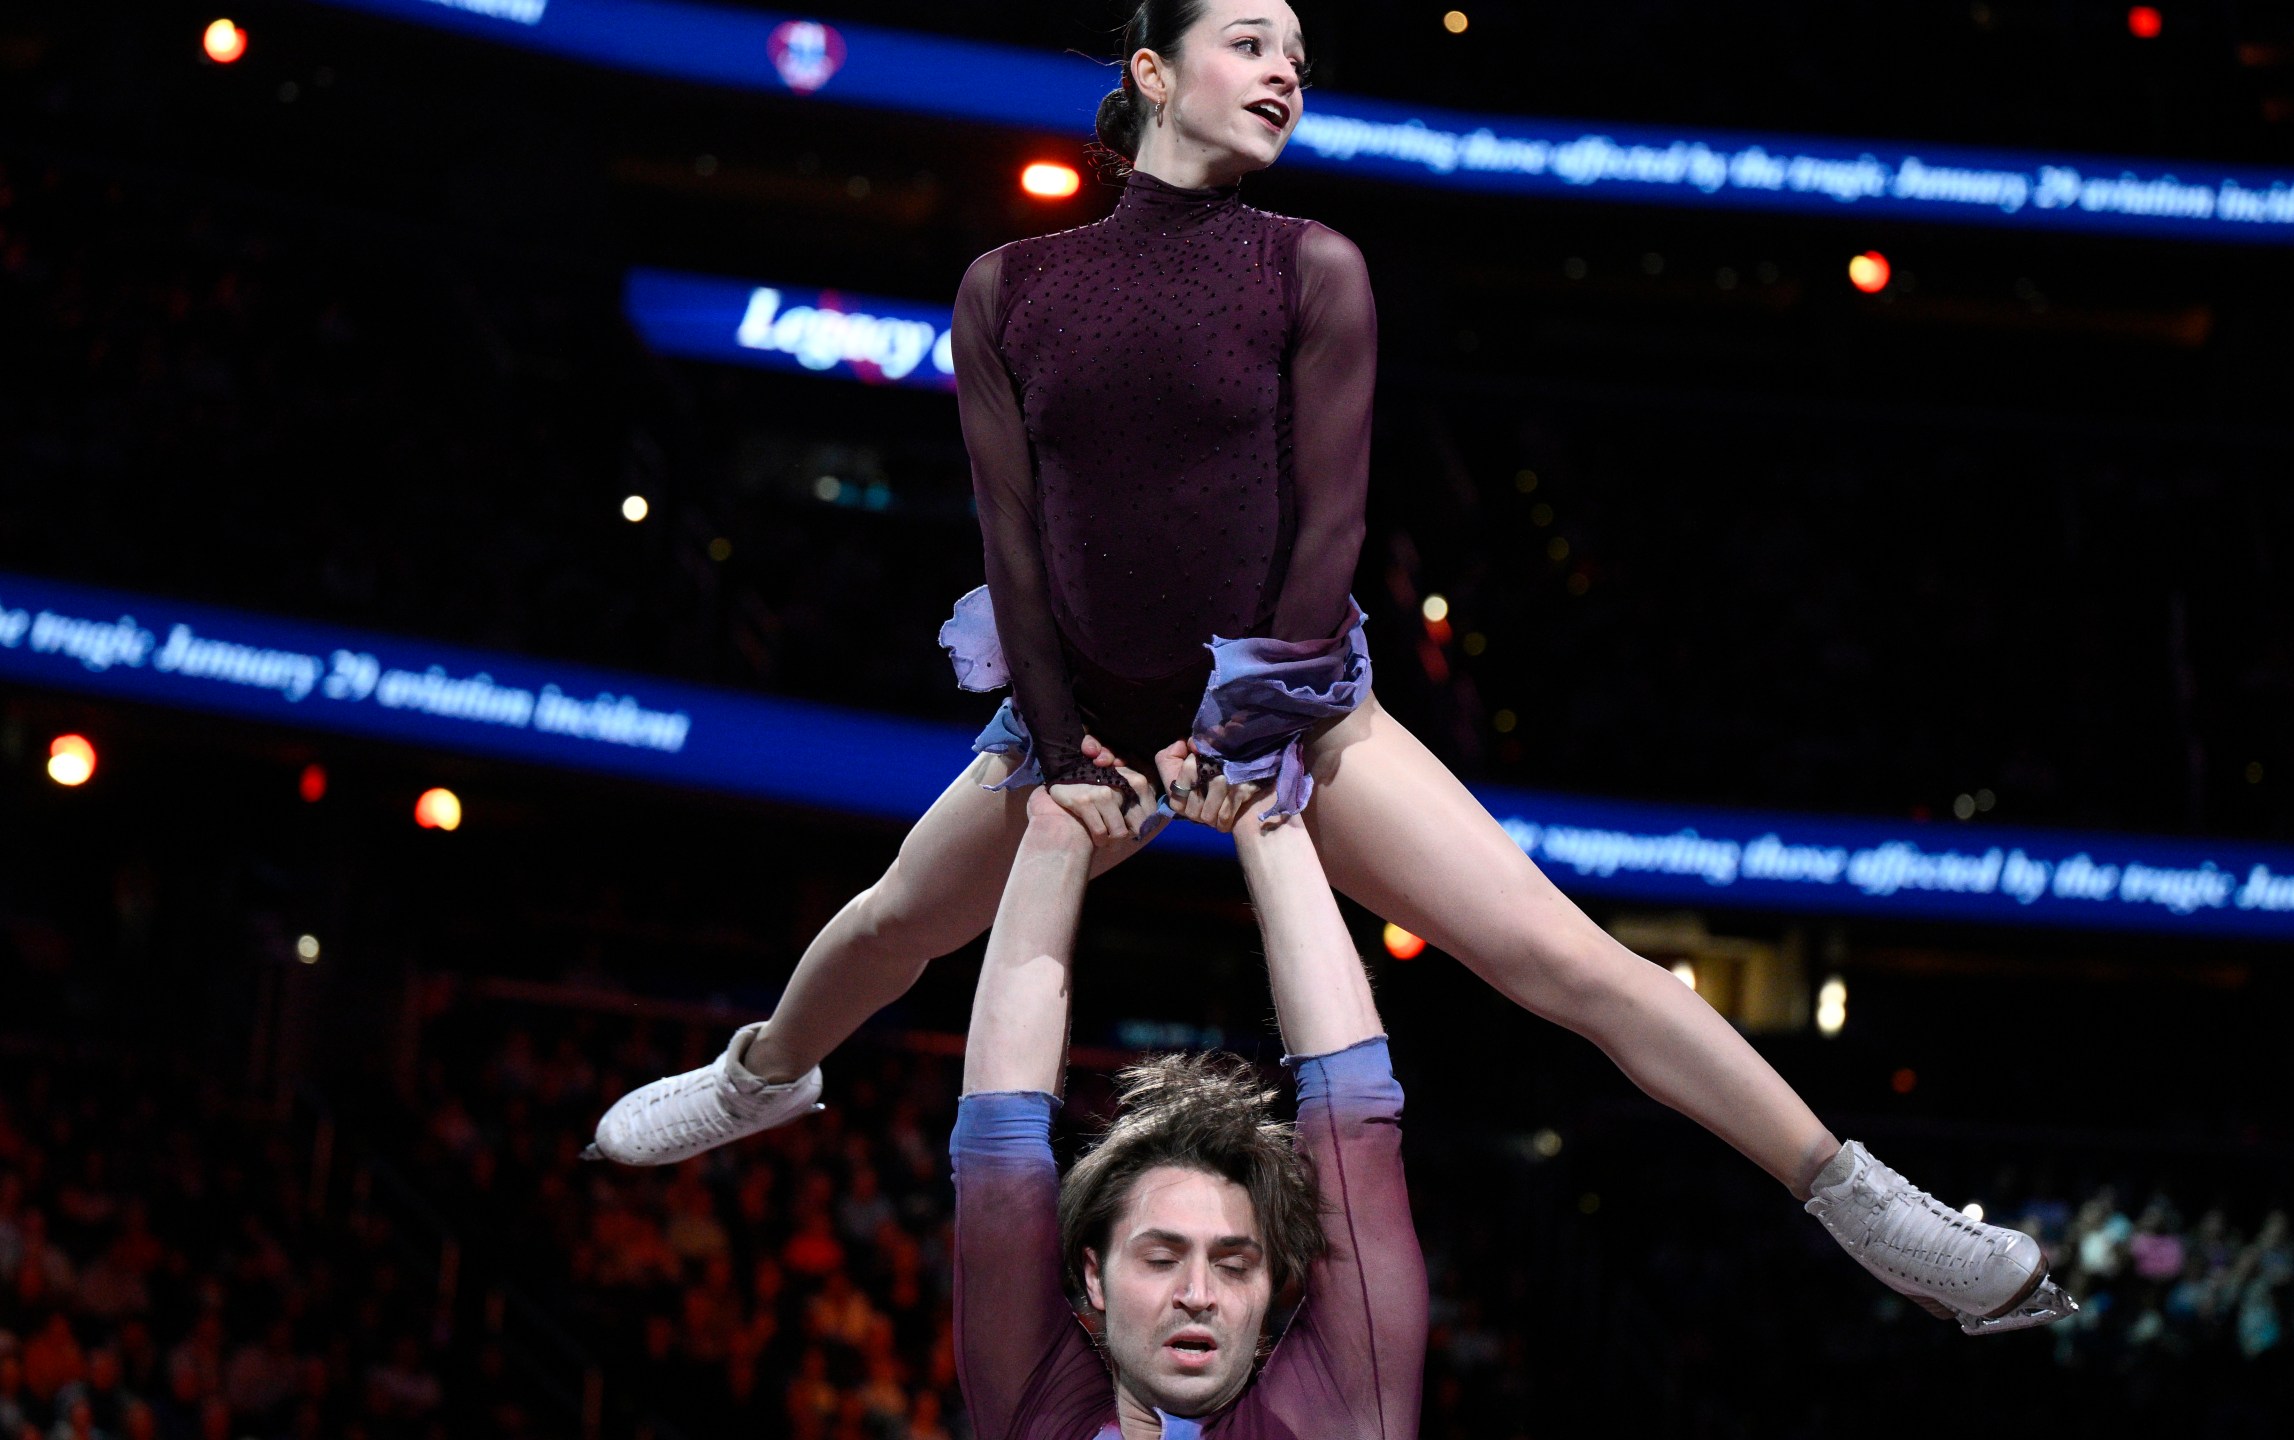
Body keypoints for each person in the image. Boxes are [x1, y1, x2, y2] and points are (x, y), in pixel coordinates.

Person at [587, 0, 2075, 1335]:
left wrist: (1255, 721)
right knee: (894, 921)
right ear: (1153, 71)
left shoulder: (1316, 268)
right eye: (1251, 42)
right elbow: (1016, 540)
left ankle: (1867, 1206)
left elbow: (1331, 523)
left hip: (1297, 704)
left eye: (1300, 53)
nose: (1286, 71)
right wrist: (1058, 741)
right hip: (1085, 714)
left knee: (1567, 963)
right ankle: (761, 1077)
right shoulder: (1007, 288)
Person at [949, 767, 1422, 1439]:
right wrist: (1058, 827)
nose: (1197, 1295)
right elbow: (999, 1151)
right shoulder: (1040, 1421)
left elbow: (1357, 1124)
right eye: (1161, 1257)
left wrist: (1264, 809)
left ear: (1269, 1293)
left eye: (1234, 1264)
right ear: (1096, 1279)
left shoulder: (1340, 1420)